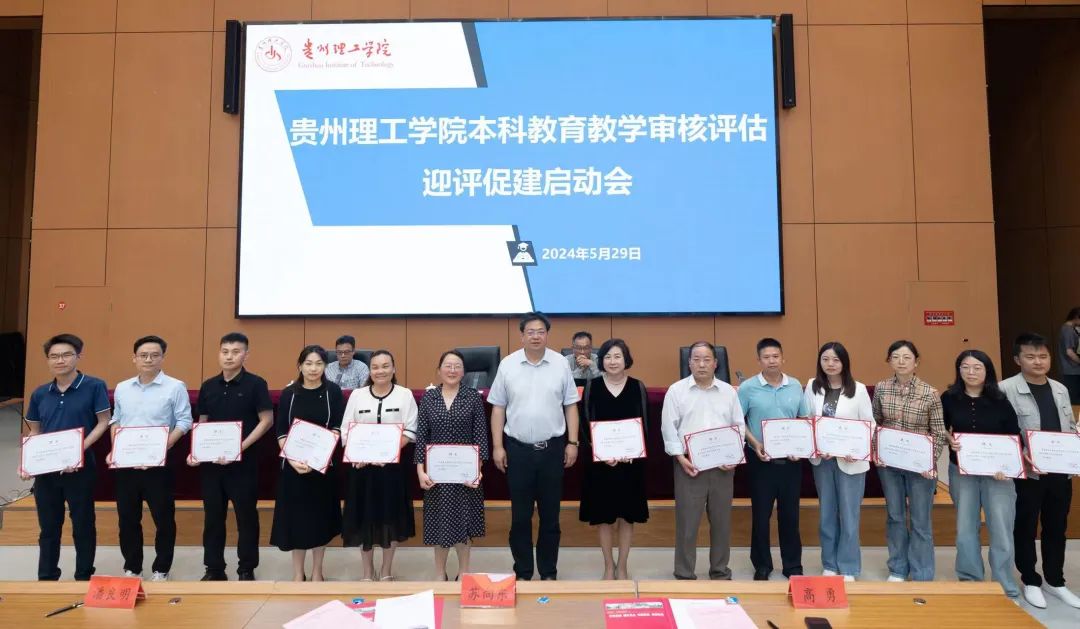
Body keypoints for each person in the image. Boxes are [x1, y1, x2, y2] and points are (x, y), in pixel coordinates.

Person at [489, 312, 580, 581]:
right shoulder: (508, 365)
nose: (536, 336)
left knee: (551, 516)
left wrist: (572, 442)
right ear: (522, 336)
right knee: (520, 517)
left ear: (547, 335)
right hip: (518, 451)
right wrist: (498, 446)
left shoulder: (560, 363)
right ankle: (523, 571)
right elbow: (498, 408)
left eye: (541, 331)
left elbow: (570, 405)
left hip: (552, 450)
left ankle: (549, 572)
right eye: (530, 332)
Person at [21, 334, 111, 581]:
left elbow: (103, 422)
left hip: (80, 468)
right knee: (49, 527)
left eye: (66, 355)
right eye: (54, 356)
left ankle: (84, 575)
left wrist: (78, 450)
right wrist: (27, 462)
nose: (60, 360)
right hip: (46, 471)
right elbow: (35, 431)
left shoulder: (94, 386)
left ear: (78, 356)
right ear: (48, 360)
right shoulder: (40, 393)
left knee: (83, 523)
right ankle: (47, 576)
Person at [1000, 332, 1080, 609]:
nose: (1038, 362)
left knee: (1057, 526)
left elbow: (1069, 426)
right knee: (1025, 525)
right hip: (1028, 473)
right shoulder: (1005, 389)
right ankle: (1030, 580)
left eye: (1043, 356)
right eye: (1030, 356)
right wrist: (1019, 453)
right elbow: (1001, 431)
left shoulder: (1060, 389)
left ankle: (1055, 580)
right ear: (1017, 359)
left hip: (1059, 471)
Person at [190, 332, 274, 581]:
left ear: (246, 355)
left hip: (243, 464)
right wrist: (196, 451)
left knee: (246, 517)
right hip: (212, 465)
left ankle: (246, 568)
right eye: (225, 351)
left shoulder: (256, 384)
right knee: (213, 518)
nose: (229, 357)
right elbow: (202, 421)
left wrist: (240, 447)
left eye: (236, 352)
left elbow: (266, 420)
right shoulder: (208, 385)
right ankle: (214, 568)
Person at [109, 335, 192, 581]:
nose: (148, 359)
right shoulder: (123, 388)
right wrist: (116, 448)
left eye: (155, 355)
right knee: (127, 519)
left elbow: (184, 421)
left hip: (159, 464)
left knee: (163, 519)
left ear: (162, 358)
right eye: (143, 355)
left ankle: (161, 568)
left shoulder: (175, 387)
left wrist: (161, 448)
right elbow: (116, 420)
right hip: (126, 464)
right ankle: (132, 567)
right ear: (134, 358)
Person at [661, 340, 745, 581]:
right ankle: (684, 572)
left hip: (723, 467)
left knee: (721, 523)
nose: (701, 364)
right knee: (687, 523)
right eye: (696, 359)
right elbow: (669, 428)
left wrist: (734, 456)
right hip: (689, 466)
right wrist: (680, 457)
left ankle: (720, 571)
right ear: (688, 363)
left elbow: (739, 426)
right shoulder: (676, 391)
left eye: (707, 359)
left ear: (716, 363)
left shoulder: (729, 392)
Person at [941, 349, 1019, 598]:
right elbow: (939, 427)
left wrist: (1006, 467)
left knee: (1001, 529)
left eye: (977, 367)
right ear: (958, 370)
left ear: (987, 371)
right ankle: (970, 580)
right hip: (961, 471)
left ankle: (1004, 584)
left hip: (998, 475)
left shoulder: (1001, 399)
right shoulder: (949, 398)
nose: (971, 372)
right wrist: (948, 439)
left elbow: (1014, 436)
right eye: (965, 367)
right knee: (965, 527)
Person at [872, 340, 946, 582]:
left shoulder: (930, 393)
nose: (901, 362)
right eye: (895, 357)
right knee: (895, 517)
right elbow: (875, 424)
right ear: (889, 361)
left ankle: (922, 572)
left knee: (920, 521)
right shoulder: (882, 389)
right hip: (890, 466)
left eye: (906, 357)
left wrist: (929, 463)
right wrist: (877, 452)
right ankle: (898, 568)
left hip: (920, 468)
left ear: (916, 362)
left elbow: (938, 433)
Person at [341, 349, 417, 581]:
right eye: (375, 367)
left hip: (392, 470)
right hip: (362, 470)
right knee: (363, 519)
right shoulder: (357, 395)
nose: (380, 371)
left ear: (393, 369)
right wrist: (357, 454)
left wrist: (388, 453)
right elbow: (346, 430)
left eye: (385, 366)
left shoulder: (404, 395)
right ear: (369, 371)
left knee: (390, 519)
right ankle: (367, 571)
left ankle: (385, 571)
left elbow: (411, 430)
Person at [738, 337, 810, 580]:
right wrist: (754, 443)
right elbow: (739, 422)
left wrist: (800, 447)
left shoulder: (795, 385)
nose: (771, 361)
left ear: (783, 358)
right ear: (759, 360)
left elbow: (803, 419)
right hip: (761, 460)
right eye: (766, 357)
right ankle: (762, 564)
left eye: (775, 356)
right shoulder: (748, 388)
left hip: (791, 462)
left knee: (790, 515)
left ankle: (792, 565)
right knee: (761, 515)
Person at [271, 345, 344, 581]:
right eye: (309, 363)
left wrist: (319, 457)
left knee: (320, 522)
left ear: (325, 366)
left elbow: (337, 427)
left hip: (322, 467)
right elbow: (281, 431)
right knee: (297, 522)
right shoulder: (289, 393)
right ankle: (297, 574)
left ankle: (317, 572)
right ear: (300, 366)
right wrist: (293, 459)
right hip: (294, 468)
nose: (313, 369)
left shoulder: (333, 391)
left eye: (319, 364)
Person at [415, 350, 489, 580]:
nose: (452, 370)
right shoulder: (429, 398)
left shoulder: (473, 397)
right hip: (436, 475)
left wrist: (477, 470)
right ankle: (440, 573)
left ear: (464, 371)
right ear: (439, 370)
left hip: (465, 474)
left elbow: (480, 436)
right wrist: (420, 471)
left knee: (464, 525)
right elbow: (421, 437)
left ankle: (464, 572)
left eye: (457, 366)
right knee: (439, 524)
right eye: (448, 365)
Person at [803, 341, 874, 582]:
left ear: (844, 363)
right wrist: (815, 445)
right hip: (823, 461)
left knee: (849, 516)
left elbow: (869, 424)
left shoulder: (859, 390)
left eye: (835, 359)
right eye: (825, 359)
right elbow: (807, 420)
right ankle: (830, 564)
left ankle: (849, 567)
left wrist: (856, 449)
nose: (830, 364)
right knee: (827, 514)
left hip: (850, 461)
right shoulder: (812, 386)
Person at [579, 338, 649, 580]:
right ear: (601, 361)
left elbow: (645, 425)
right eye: (607, 357)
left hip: (631, 465)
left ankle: (623, 566)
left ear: (626, 359)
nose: (612, 361)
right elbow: (584, 425)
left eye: (617, 356)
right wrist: (600, 453)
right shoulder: (593, 386)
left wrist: (634, 452)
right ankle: (608, 566)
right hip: (601, 465)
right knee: (604, 518)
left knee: (627, 517)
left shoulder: (637, 387)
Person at [1058, 308, 1080, 404]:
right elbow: (1069, 352)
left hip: (1071, 369)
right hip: (1071, 370)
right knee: (1074, 398)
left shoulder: (1068, 329)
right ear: (1076, 317)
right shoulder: (1068, 330)